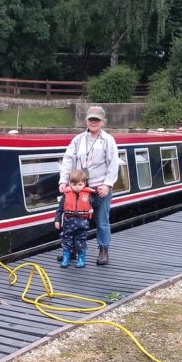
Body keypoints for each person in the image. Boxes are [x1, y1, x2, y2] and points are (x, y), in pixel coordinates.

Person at [58, 105, 118, 265]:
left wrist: (107, 185)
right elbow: (68, 160)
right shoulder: (78, 140)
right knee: (73, 220)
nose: (94, 122)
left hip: (99, 189)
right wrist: (64, 181)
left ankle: (103, 250)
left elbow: (113, 164)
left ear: (102, 122)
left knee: (101, 220)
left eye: (97, 120)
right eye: (91, 119)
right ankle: (70, 250)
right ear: (87, 121)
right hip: (79, 188)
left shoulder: (108, 140)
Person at [55, 169, 95, 268]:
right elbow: (60, 209)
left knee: (81, 241)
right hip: (68, 222)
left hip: (82, 223)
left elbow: (94, 205)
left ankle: (81, 258)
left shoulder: (89, 195)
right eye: (74, 184)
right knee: (66, 240)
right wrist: (57, 220)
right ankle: (66, 258)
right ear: (69, 183)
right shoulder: (66, 195)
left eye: (80, 184)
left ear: (85, 184)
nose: (77, 187)